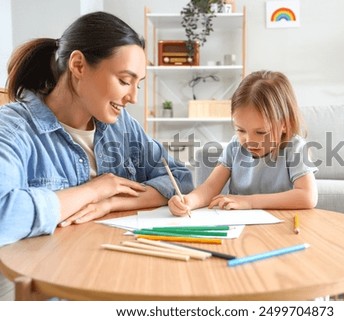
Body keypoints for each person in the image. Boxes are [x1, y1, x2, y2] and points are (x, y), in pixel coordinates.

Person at [0, 12, 193, 246]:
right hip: (46, 273)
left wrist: (112, 201)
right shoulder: (12, 128)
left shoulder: (122, 125)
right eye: (124, 81)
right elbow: (5, 215)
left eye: (137, 85)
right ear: (79, 66)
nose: (132, 97)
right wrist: (94, 191)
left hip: (112, 260)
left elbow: (179, 180)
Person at [168, 70, 317, 216]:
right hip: (239, 226)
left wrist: (249, 202)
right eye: (240, 130)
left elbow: (308, 197)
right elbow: (209, 188)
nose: (249, 140)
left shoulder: (295, 147)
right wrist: (188, 201)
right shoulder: (235, 147)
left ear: (285, 124)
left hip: (282, 226)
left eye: (261, 132)